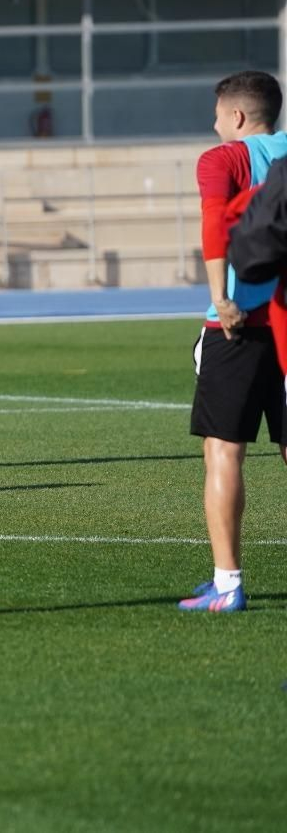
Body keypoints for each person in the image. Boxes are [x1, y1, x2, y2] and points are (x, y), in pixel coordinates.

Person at [176, 71, 287, 613]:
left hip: (238, 325)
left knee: (224, 451)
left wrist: (220, 296)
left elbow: (214, 223)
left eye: (217, 113)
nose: (213, 122)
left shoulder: (222, 159)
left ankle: (228, 584)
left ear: (237, 117)